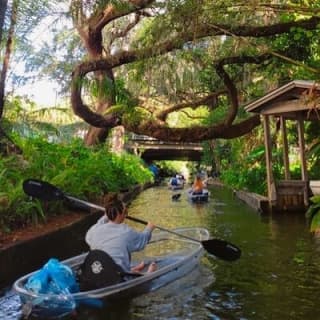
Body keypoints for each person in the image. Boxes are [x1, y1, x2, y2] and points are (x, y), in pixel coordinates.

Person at [85, 194, 157, 274]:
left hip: (96, 269)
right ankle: (147, 273)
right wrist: (149, 228)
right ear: (120, 214)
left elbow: (89, 237)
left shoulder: (95, 229)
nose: (126, 215)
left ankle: (129, 270)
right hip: (115, 275)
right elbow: (142, 241)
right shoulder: (126, 231)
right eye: (125, 212)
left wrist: (107, 216)